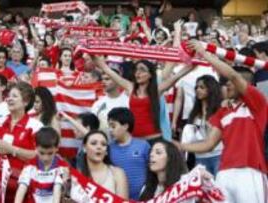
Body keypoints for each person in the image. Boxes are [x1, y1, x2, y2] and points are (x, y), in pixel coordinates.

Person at [177, 40, 268, 203]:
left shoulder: (258, 105)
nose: (227, 85)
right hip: (224, 173)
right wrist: (180, 146)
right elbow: (208, 144)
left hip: (250, 171)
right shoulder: (222, 112)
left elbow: (232, 74)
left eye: (230, 83)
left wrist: (205, 53)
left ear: (246, 84)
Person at [94, 56, 192, 144]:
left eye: (142, 70)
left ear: (150, 75)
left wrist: (196, 60)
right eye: (136, 70)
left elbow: (178, 75)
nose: (138, 73)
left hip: (154, 141)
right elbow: (109, 71)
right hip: (134, 141)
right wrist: (95, 58)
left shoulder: (157, 90)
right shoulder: (130, 87)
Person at [182, 75, 223, 176]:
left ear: (211, 89)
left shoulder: (220, 110)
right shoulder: (195, 112)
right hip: (199, 157)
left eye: (202, 87)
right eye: (196, 87)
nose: (197, 90)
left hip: (217, 155)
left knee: (220, 188)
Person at [15, 127, 69, 203]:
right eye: (42, 153)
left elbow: (57, 191)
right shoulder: (29, 166)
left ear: (57, 148)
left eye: (50, 153)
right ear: (36, 147)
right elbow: (21, 189)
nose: (45, 158)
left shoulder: (62, 167)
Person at [107, 107, 150, 200]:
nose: (110, 130)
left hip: (142, 198)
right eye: (109, 126)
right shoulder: (108, 148)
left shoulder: (143, 145)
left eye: (113, 126)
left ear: (126, 126)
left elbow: (151, 170)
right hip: (117, 198)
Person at [79, 130, 128, 198]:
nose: (99, 147)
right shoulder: (77, 175)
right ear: (84, 148)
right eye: (93, 143)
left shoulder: (117, 173)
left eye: (103, 144)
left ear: (106, 151)